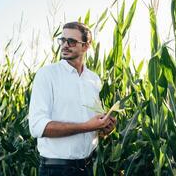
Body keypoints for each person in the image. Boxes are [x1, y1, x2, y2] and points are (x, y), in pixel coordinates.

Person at [28, 22, 116, 176]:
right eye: (62, 40)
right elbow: (37, 127)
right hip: (56, 170)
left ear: (86, 46)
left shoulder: (94, 80)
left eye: (72, 41)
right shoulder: (47, 75)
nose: (65, 45)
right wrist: (87, 126)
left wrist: (104, 128)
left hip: (88, 167)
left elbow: (92, 127)